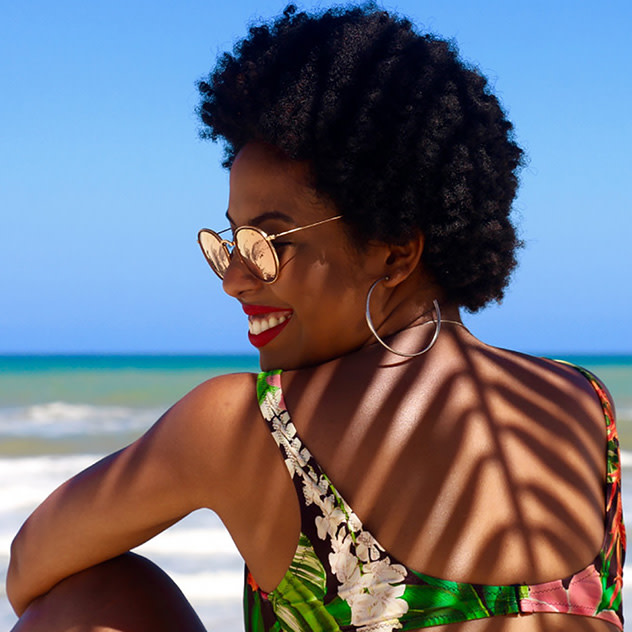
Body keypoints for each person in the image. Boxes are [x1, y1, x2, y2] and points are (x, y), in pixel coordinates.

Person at [6, 4, 625, 631]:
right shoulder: (581, 401)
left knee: (92, 596)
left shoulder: (247, 425)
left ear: (396, 251)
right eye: (232, 241)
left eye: (270, 243)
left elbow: (29, 563)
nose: (232, 280)